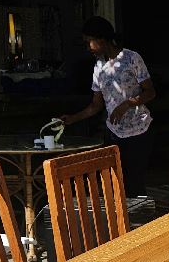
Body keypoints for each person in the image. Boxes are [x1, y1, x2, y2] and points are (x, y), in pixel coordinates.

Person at [60, 17, 156, 200]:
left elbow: (150, 92)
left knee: (134, 184)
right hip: (113, 134)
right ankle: (121, 224)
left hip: (139, 132)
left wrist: (127, 103)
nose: (87, 46)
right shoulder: (98, 67)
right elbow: (96, 105)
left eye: (89, 41)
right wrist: (72, 119)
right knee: (115, 184)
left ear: (101, 40)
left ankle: (142, 224)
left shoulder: (131, 58)